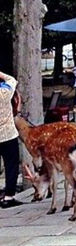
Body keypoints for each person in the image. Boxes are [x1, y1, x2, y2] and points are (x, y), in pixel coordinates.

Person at [0, 71, 22, 208]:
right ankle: (9, 197)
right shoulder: (4, 91)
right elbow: (12, 80)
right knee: (11, 165)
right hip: (7, 134)